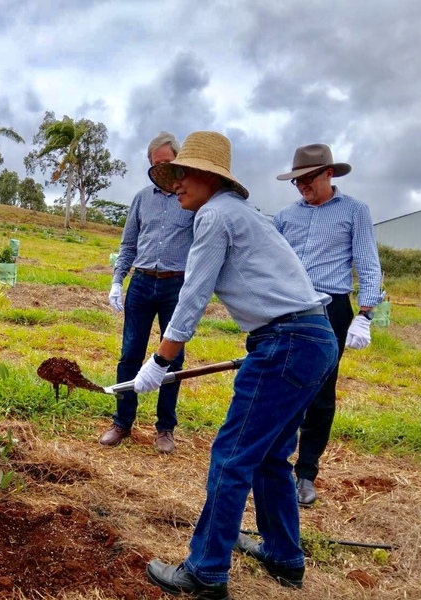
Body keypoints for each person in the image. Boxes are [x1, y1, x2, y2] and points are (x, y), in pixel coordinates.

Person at [136, 131, 338, 599]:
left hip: (286, 342)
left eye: (183, 175)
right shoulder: (244, 214)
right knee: (270, 456)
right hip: (312, 337)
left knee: (231, 456)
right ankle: (285, 556)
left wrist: (160, 361)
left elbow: (193, 294)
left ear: (210, 177)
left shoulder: (215, 215)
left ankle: (206, 572)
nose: (176, 185)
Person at [273, 144, 382, 506]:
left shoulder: (354, 211)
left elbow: (367, 264)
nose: (302, 186)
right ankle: (274, 461)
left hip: (331, 307)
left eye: (307, 179)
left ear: (328, 174)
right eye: (297, 181)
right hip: (289, 305)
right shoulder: (286, 216)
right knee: (280, 383)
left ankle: (305, 472)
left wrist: (364, 315)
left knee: (320, 392)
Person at [103, 131, 194, 454]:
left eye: (168, 162)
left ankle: (165, 429)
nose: (163, 169)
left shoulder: (192, 201)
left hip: (176, 285)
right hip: (141, 283)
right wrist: (118, 280)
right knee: (130, 355)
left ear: (178, 162)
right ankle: (121, 422)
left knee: (173, 358)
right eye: (157, 164)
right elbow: (128, 244)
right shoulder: (142, 198)